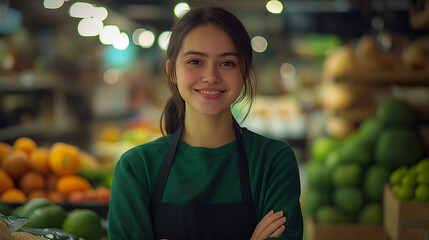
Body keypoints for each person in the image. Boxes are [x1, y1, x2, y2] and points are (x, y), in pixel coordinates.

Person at [108, 6, 303, 240]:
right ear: (172, 71)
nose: (211, 76)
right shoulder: (137, 169)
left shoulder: (273, 161)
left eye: (227, 63)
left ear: (245, 70)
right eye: (195, 61)